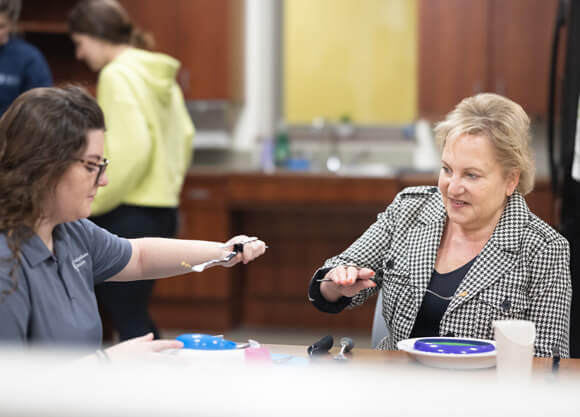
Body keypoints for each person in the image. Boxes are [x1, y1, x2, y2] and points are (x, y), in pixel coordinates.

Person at [0, 86, 266, 360]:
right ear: (44, 166)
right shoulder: (6, 265)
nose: (103, 180)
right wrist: (109, 363)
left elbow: (139, 257)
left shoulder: (70, 232)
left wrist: (223, 252)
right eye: (91, 166)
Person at [308, 93, 572, 358]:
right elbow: (334, 275)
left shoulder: (545, 250)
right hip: (394, 385)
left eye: (471, 175)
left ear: (510, 180)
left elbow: (547, 362)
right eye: (447, 169)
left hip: (484, 396)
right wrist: (335, 284)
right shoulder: (409, 210)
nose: (453, 187)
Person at [67, 0, 195, 341]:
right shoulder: (158, 75)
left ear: (96, 35)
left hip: (126, 211)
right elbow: (185, 135)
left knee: (127, 319)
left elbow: (131, 150)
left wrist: (93, 203)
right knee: (134, 314)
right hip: (161, 209)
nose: (80, 54)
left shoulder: (116, 74)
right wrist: (166, 187)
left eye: (79, 43)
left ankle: (145, 388)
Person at [0, 0, 52, 116]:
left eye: (1, 26)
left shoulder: (29, 58)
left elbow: (42, 107)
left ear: (11, 23)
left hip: (11, 131)